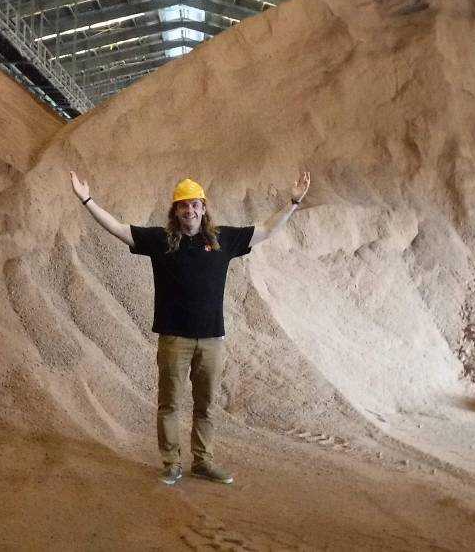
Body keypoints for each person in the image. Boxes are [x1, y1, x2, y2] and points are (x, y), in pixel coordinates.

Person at [69, 170, 311, 486]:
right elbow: (118, 228)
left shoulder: (222, 239)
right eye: (183, 205)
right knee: (169, 404)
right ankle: (171, 463)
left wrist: (293, 203)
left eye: (195, 205)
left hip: (212, 341)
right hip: (174, 339)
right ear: (176, 211)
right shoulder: (161, 241)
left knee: (205, 405)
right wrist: (87, 200)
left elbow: (266, 229)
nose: (190, 211)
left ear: (203, 208)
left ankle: (203, 462)